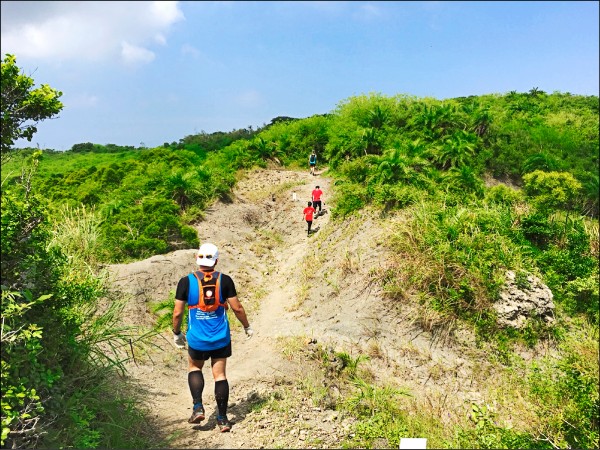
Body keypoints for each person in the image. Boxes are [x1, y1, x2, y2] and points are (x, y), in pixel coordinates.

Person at [172, 242, 254, 432]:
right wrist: (247, 327)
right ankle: (223, 419)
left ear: (197, 258)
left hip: (197, 338)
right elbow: (237, 308)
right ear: (216, 260)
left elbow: (177, 313)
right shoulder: (225, 281)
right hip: (220, 338)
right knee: (220, 376)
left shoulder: (186, 282)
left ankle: (198, 407)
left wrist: (177, 333)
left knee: (194, 368)